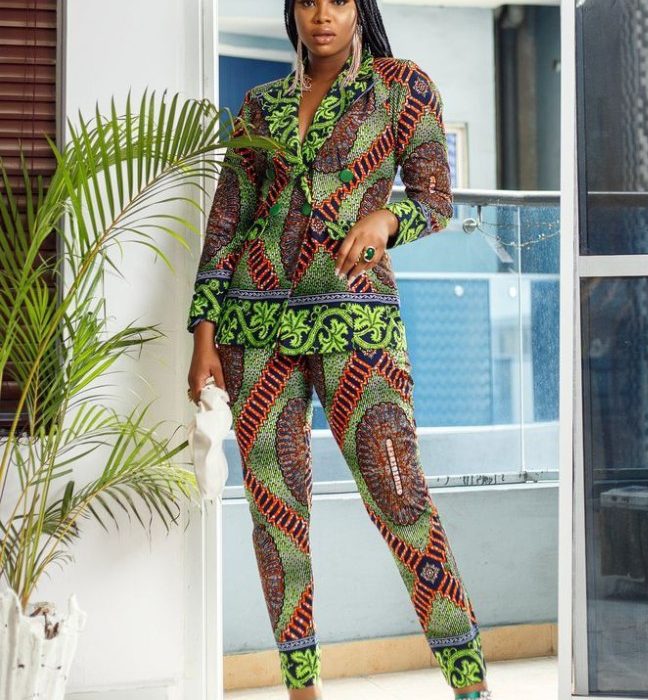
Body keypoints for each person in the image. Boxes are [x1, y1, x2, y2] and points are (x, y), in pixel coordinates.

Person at [187, 0, 492, 698]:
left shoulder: (400, 86)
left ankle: (470, 685)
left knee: (400, 499)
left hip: (357, 323)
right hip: (252, 328)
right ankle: (302, 687)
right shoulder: (259, 106)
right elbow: (227, 223)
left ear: (361, 9)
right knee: (276, 515)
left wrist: (385, 218)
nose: (321, 14)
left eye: (338, 0)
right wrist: (203, 335)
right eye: (307, 0)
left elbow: (435, 199)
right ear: (291, 11)